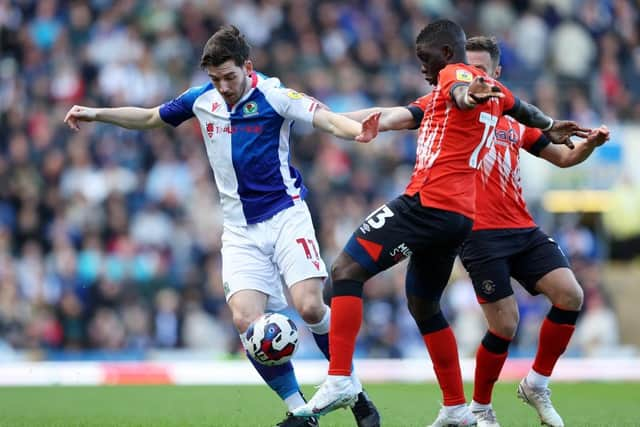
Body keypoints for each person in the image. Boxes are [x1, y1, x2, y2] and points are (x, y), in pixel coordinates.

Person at [64, 25, 381, 427]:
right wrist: (95, 113)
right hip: (239, 231)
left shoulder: (275, 95)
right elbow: (148, 118)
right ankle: (301, 411)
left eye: (230, 77)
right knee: (246, 322)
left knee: (309, 305)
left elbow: (328, 120)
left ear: (248, 67)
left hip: (286, 217)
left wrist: (359, 133)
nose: (224, 87)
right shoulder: (202, 99)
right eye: (216, 79)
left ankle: (350, 386)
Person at [292, 19, 586, 427]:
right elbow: (520, 110)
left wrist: (468, 91)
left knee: (345, 270)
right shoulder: (484, 99)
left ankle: (341, 377)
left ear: (448, 54)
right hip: (460, 219)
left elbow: (462, 92)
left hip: (428, 203)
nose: (423, 68)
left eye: (425, 59)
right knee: (424, 304)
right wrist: (320, 116)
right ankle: (456, 407)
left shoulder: (455, 76)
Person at [460, 36, 610, 427]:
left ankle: (536, 384)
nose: (475, 76)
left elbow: (562, 156)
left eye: (482, 69)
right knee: (505, 325)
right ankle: (480, 409)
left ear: (498, 74)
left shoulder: (515, 119)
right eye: (468, 68)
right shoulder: (455, 113)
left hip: (521, 226)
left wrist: (589, 145)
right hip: (479, 232)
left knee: (571, 294)